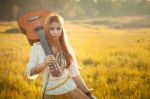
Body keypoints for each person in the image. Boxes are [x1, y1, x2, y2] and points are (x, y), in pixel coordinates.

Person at [26, 13, 97, 99]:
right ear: (46, 29)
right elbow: (30, 72)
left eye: (58, 28)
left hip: (70, 90)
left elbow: (75, 75)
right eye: (52, 28)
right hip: (49, 93)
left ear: (62, 29)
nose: (55, 32)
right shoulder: (37, 47)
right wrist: (43, 64)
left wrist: (89, 94)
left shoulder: (67, 48)